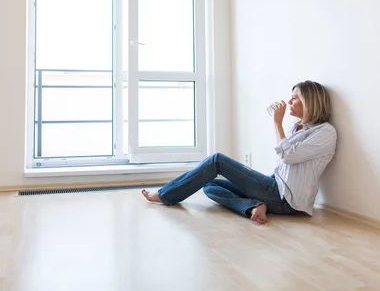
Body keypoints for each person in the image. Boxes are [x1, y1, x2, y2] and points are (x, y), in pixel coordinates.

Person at [142, 80, 337, 224]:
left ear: (310, 102)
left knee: (217, 161)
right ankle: (252, 206)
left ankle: (164, 195)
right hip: (275, 186)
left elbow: (288, 156)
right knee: (209, 184)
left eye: (295, 98)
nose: (289, 101)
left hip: (286, 198)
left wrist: (277, 123)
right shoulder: (298, 129)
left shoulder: (326, 132)